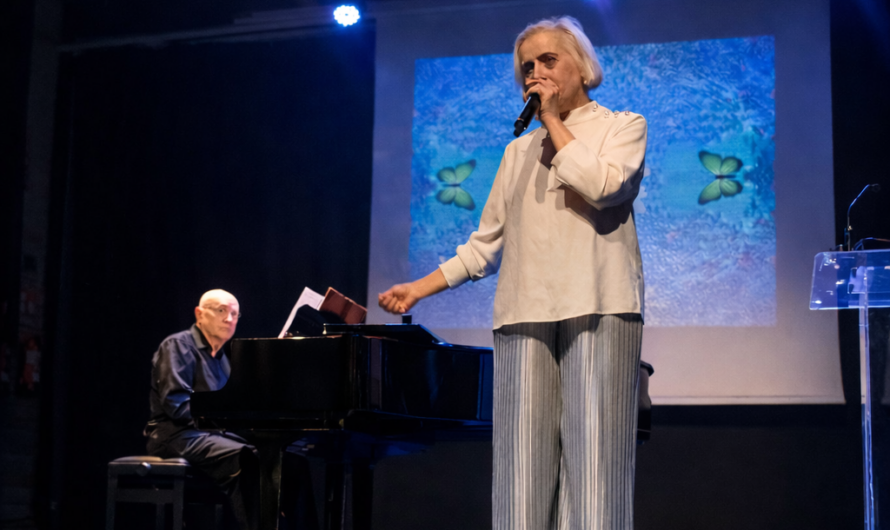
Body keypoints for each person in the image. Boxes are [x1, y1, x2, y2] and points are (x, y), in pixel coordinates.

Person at [379, 16, 646, 530]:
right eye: (528, 66)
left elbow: (604, 186)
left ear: (584, 68)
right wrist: (418, 288)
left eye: (549, 60)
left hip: (600, 307)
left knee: (596, 469)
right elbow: (485, 246)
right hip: (523, 315)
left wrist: (551, 123)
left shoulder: (622, 126)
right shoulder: (516, 152)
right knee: (520, 472)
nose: (535, 74)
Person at [144, 289, 317, 530]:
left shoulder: (223, 361)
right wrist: (225, 423)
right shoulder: (178, 345)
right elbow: (177, 405)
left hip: (209, 434)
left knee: (291, 460)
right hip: (174, 435)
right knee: (248, 458)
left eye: (235, 314)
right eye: (222, 310)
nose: (229, 318)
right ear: (199, 314)